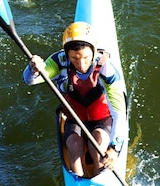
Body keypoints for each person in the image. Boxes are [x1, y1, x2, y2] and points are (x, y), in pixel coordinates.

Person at [23, 21, 127, 177]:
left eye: (85, 57)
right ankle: (80, 182)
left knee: (97, 144)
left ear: (93, 51)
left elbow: (119, 113)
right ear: (67, 54)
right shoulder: (58, 62)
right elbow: (29, 80)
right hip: (75, 118)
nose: (81, 64)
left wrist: (115, 148)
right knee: (73, 145)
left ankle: (99, 176)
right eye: (74, 58)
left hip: (103, 118)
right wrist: (33, 69)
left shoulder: (106, 69)